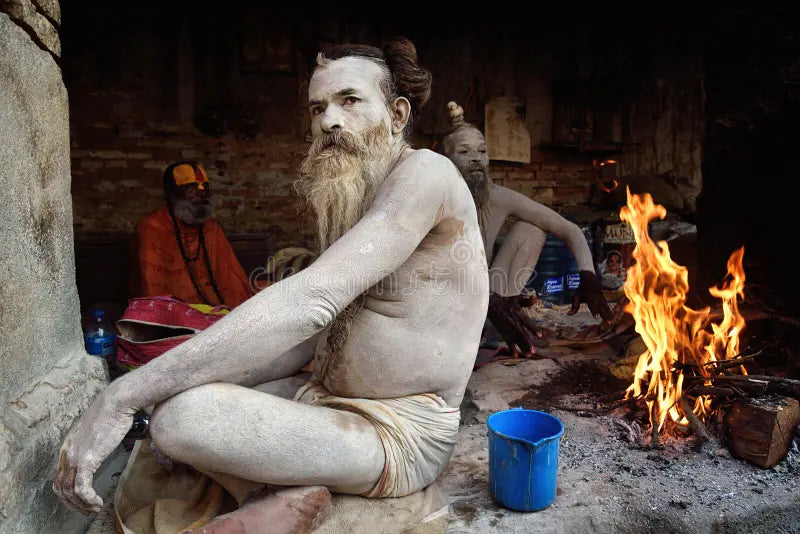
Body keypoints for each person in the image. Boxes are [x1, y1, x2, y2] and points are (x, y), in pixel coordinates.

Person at [54, 39, 488, 533]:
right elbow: (307, 337)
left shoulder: (426, 173)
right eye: (318, 108)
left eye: (349, 101)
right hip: (322, 396)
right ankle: (277, 494)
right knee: (172, 395)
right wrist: (170, 380)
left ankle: (275, 493)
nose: (329, 121)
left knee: (177, 418)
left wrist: (118, 396)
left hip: (397, 432)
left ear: (397, 113)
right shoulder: (357, 196)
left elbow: (312, 302)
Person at [441, 102, 613, 356]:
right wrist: (485, 300)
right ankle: (486, 322)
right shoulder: (436, 200)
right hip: (445, 307)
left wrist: (588, 276)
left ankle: (504, 319)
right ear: (446, 159)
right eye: (464, 152)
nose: (476, 158)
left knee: (532, 228)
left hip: (490, 302)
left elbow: (569, 230)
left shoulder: (498, 197)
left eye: (482, 151)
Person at [129, 161, 253, 308]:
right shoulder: (152, 227)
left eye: (204, 191)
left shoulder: (212, 228)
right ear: (173, 196)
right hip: (174, 312)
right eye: (191, 191)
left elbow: (232, 278)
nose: (200, 197)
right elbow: (152, 287)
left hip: (217, 308)